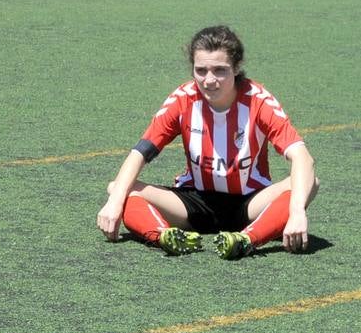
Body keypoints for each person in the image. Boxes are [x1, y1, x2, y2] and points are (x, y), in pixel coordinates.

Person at [97, 25, 318, 258]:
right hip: (194, 202)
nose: (209, 80)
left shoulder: (258, 100)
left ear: (236, 68)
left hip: (250, 203)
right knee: (118, 188)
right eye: (201, 70)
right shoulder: (182, 100)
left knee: (309, 183)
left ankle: (246, 240)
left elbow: (303, 158)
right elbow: (139, 153)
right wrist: (113, 205)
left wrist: (296, 212)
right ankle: (165, 237)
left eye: (219, 70)